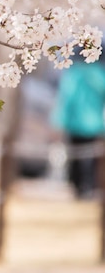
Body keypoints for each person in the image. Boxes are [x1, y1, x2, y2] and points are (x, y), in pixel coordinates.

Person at [51, 45, 105, 199]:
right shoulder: (101, 74)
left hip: (75, 125)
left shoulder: (74, 75)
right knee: (94, 160)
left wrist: (58, 123)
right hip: (96, 125)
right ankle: (92, 187)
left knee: (75, 158)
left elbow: (65, 101)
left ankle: (78, 188)